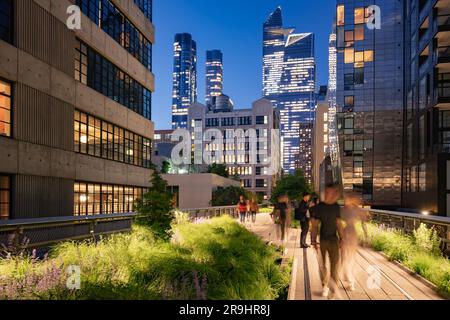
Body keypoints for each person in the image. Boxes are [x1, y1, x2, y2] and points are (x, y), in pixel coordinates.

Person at [311, 184, 344, 300]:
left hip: (334, 240)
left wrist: (342, 238)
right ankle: (325, 286)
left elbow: (339, 223)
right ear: (326, 192)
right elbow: (314, 225)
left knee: (335, 266)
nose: (333, 194)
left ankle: (333, 289)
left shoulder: (336, 207)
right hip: (323, 240)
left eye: (334, 192)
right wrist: (313, 241)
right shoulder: (320, 207)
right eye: (330, 192)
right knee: (323, 265)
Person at [341, 192, 367, 291]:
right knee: (344, 257)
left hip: (351, 235)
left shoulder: (356, 210)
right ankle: (347, 277)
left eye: (348, 199)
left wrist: (366, 236)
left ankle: (350, 281)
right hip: (345, 234)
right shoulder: (344, 210)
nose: (346, 201)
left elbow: (363, 223)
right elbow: (338, 222)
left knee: (349, 258)